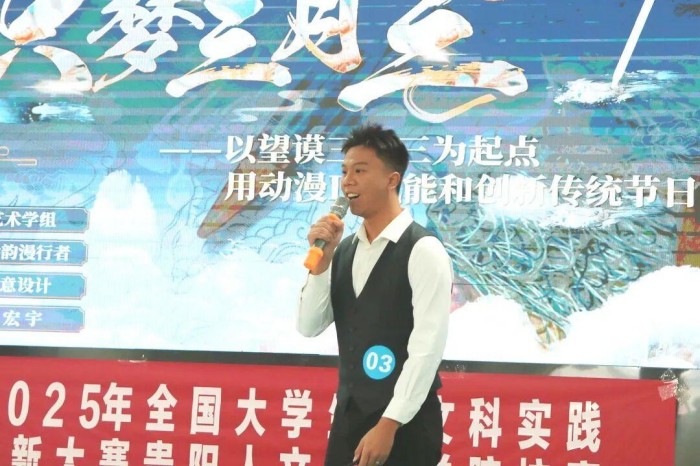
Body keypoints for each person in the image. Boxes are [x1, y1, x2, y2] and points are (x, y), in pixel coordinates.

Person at [297, 123, 453, 466]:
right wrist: (321, 264)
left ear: (391, 180)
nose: (347, 181)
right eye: (344, 172)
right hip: (349, 419)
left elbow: (427, 347)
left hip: (405, 425)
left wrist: (390, 422)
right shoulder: (344, 250)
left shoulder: (423, 249)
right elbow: (308, 326)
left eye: (360, 171)